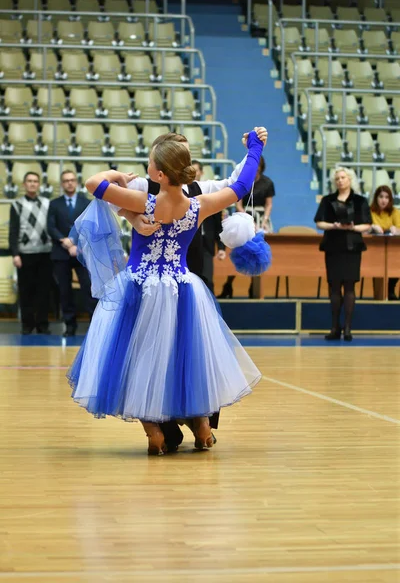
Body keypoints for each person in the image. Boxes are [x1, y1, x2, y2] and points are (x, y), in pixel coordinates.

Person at [68, 129, 264, 455]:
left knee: (139, 360)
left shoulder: (144, 201)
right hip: (182, 290)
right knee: (181, 360)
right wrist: (255, 148)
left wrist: (116, 175)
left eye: (149, 162)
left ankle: (154, 434)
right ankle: (202, 429)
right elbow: (241, 185)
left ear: (159, 173)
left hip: (140, 289)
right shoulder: (198, 205)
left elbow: (93, 184)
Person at [315, 167, 372, 342]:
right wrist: (334, 226)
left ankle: (347, 327)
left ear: (350, 180)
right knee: (334, 286)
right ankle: (334, 327)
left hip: (352, 247)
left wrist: (353, 227)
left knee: (349, 287)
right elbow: (319, 222)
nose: (340, 180)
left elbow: (367, 224)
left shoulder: (360, 201)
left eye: (343, 178)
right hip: (333, 246)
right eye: (337, 178)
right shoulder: (327, 200)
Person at [47, 170, 97, 336]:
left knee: (88, 288)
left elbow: (90, 227)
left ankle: (93, 324)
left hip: (82, 253)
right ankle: (70, 325)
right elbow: (51, 227)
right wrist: (64, 240)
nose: (69, 183)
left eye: (72, 180)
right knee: (65, 291)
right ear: (62, 184)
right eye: (66, 180)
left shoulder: (86, 203)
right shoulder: (54, 204)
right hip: (61, 253)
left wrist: (77, 244)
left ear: (76, 182)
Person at [219, 155, 275, 299]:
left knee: (257, 250)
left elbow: (269, 204)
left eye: (258, 170)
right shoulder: (244, 180)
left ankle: (254, 286)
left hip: (261, 217)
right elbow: (238, 204)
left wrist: (265, 220)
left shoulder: (267, 182)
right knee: (242, 248)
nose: (255, 172)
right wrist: (248, 220)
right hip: (244, 217)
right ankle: (229, 283)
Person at [8, 171, 52, 334]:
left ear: (39, 184)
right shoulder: (17, 205)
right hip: (25, 253)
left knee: (44, 291)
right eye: (29, 181)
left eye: (35, 181)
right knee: (26, 291)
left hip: (45, 253)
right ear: (24, 184)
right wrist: (15, 254)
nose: (32, 184)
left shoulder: (48, 203)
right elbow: (13, 231)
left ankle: (42, 325)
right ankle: (27, 325)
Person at [192, 160, 226, 293]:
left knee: (207, 281)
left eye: (196, 171)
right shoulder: (183, 193)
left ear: (201, 172)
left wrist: (221, 247)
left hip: (206, 245)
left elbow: (218, 225)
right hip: (189, 244)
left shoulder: (211, 194)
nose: (194, 174)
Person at [370, 185, 400, 300]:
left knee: (396, 259)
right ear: (376, 198)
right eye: (381, 197)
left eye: (387, 197)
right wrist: (372, 227)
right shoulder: (369, 211)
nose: (384, 200)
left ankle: (391, 289)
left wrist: (396, 230)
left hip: (392, 249)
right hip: (374, 249)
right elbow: (364, 228)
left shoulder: (395, 212)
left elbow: (399, 229)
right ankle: (381, 291)